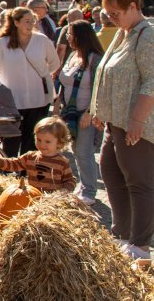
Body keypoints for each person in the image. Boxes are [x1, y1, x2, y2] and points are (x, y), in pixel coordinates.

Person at [89, 0, 154, 260]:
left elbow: (151, 79)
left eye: (115, 14)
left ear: (132, 6)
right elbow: (106, 71)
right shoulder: (124, 33)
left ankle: (140, 244)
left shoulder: (147, 34)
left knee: (138, 181)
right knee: (112, 173)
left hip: (135, 124)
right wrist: (98, 110)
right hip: (115, 121)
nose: (111, 19)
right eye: (108, 15)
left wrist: (138, 119)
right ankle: (123, 233)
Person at [0, 7, 60, 156]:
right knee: (11, 140)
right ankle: (9, 173)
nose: (31, 24)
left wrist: (44, 73)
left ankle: (27, 174)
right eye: (27, 21)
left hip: (38, 99)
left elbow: (54, 63)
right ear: (16, 22)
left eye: (33, 20)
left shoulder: (42, 40)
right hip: (12, 100)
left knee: (32, 140)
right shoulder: (3, 42)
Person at [56, 20, 104, 205]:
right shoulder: (72, 56)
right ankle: (84, 185)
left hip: (85, 113)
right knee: (76, 150)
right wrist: (57, 107)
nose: (67, 37)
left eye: (70, 34)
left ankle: (90, 191)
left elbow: (98, 88)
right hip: (69, 112)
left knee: (84, 151)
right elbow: (64, 83)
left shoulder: (94, 58)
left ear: (80, 36)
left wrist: (89, 112)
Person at [0, 117, 76, 193]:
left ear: (59, 143)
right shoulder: (30, 157)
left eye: (47, 142)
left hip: (51, 202)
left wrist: (65, 190)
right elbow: (15, 163)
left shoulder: (62, 162)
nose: (42, 144)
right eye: (39, 140)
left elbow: (70, 180)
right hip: (32, 197)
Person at [54, 9, 85, 74]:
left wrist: (56, 68)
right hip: (85, 65)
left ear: (69, 18)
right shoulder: (89, 28)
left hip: (69, 66)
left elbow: (61, 49)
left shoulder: (67, 29)